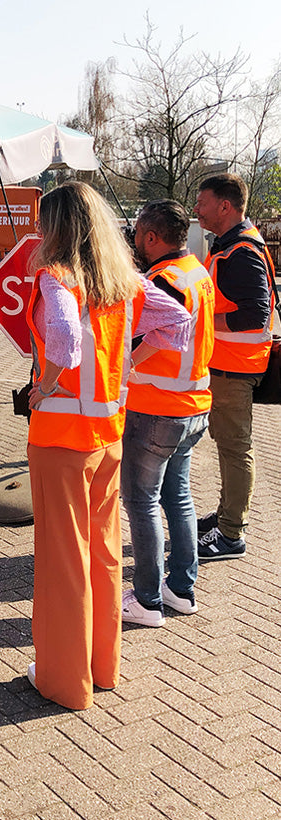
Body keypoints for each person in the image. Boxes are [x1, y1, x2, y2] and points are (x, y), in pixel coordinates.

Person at [25, 182, 190, 711]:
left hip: (59, 436)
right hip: (108, 435)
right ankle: (103, 666)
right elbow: (179, 322)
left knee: (62, 560)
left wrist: (44, 385)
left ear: (57, 229)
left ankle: (63, 679)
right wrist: (130, 365)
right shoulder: (125, 283)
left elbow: (67, 344)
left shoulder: (57, 278)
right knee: (101, 552)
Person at [121, 200, 215, 628]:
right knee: (178, 498)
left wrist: (129, 364)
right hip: (193, 403)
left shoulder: (164, 279)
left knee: (142, 502)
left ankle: (146, 600)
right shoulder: (196, 270)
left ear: (152, 237)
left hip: (158, 406)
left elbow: (165, 330)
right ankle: (181, 590)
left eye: (138, 233)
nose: (134, 240)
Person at [192, 173, 276, 560]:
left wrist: (202, 322)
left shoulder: (240, 252)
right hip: (229, 366)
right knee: (229, 447)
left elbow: (255, 316)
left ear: (225, 206)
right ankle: (227, 517)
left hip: (234, 369)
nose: (197, 208)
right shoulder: (232, 246)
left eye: (202, 201)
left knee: (235, 448)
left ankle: (230, 534)